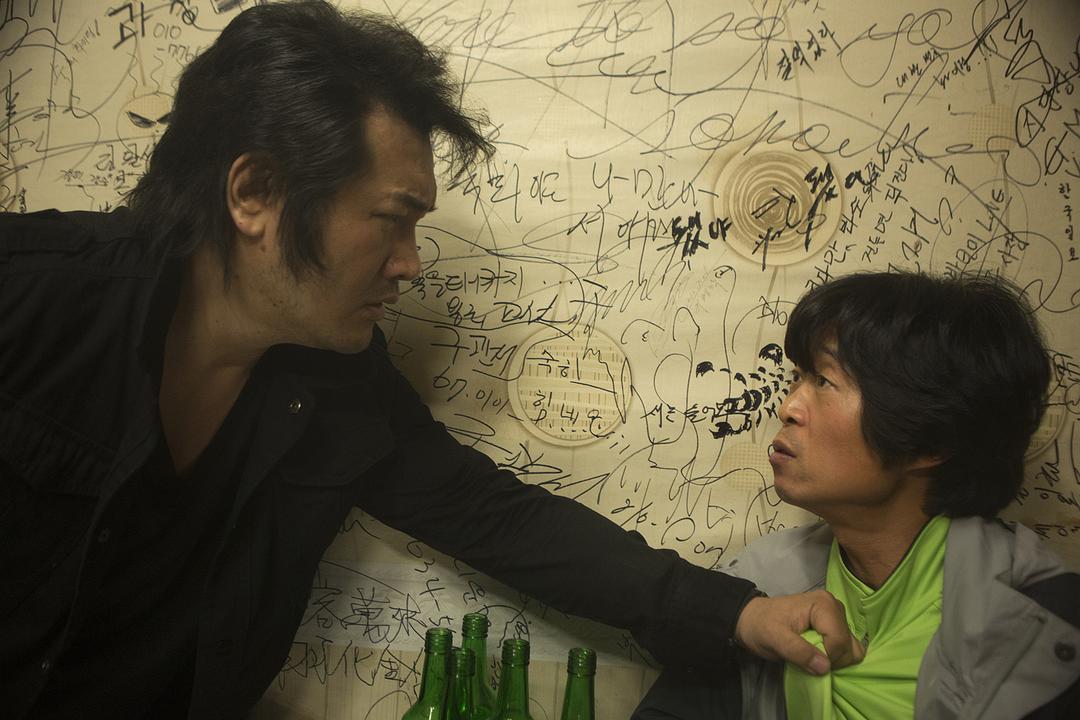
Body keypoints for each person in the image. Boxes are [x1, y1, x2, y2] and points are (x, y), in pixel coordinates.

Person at [0, 2, 861, 717]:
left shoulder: (336, 379)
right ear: (254, 193)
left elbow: (491, 514)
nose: (410, 264)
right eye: (392, 219)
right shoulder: (30, 298)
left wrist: (738, 611)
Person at [632, 271, 1080, 719]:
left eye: (823, 381)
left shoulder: (1044, 622)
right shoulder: (761, 588)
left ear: (930, 441)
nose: (787, 407)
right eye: (797, 377)